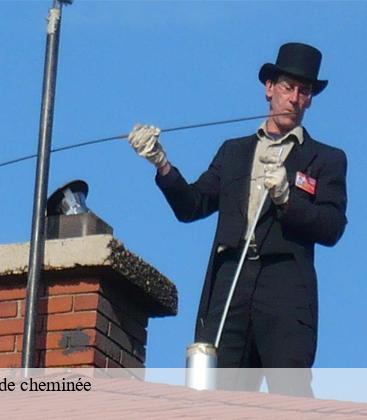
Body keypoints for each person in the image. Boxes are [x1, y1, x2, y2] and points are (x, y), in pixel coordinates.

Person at [128, 42, 348, 396]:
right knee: (217, 395)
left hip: (286, 285)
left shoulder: (325, 158)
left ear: (310, 99)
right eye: (288, 87)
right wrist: (162, 164)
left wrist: (287, 199)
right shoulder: (234, 152)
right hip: (231, 276)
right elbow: (192, 206)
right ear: (269, 88)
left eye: (304, 91)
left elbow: (332, 226)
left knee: (288, 397)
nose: (294, 98)